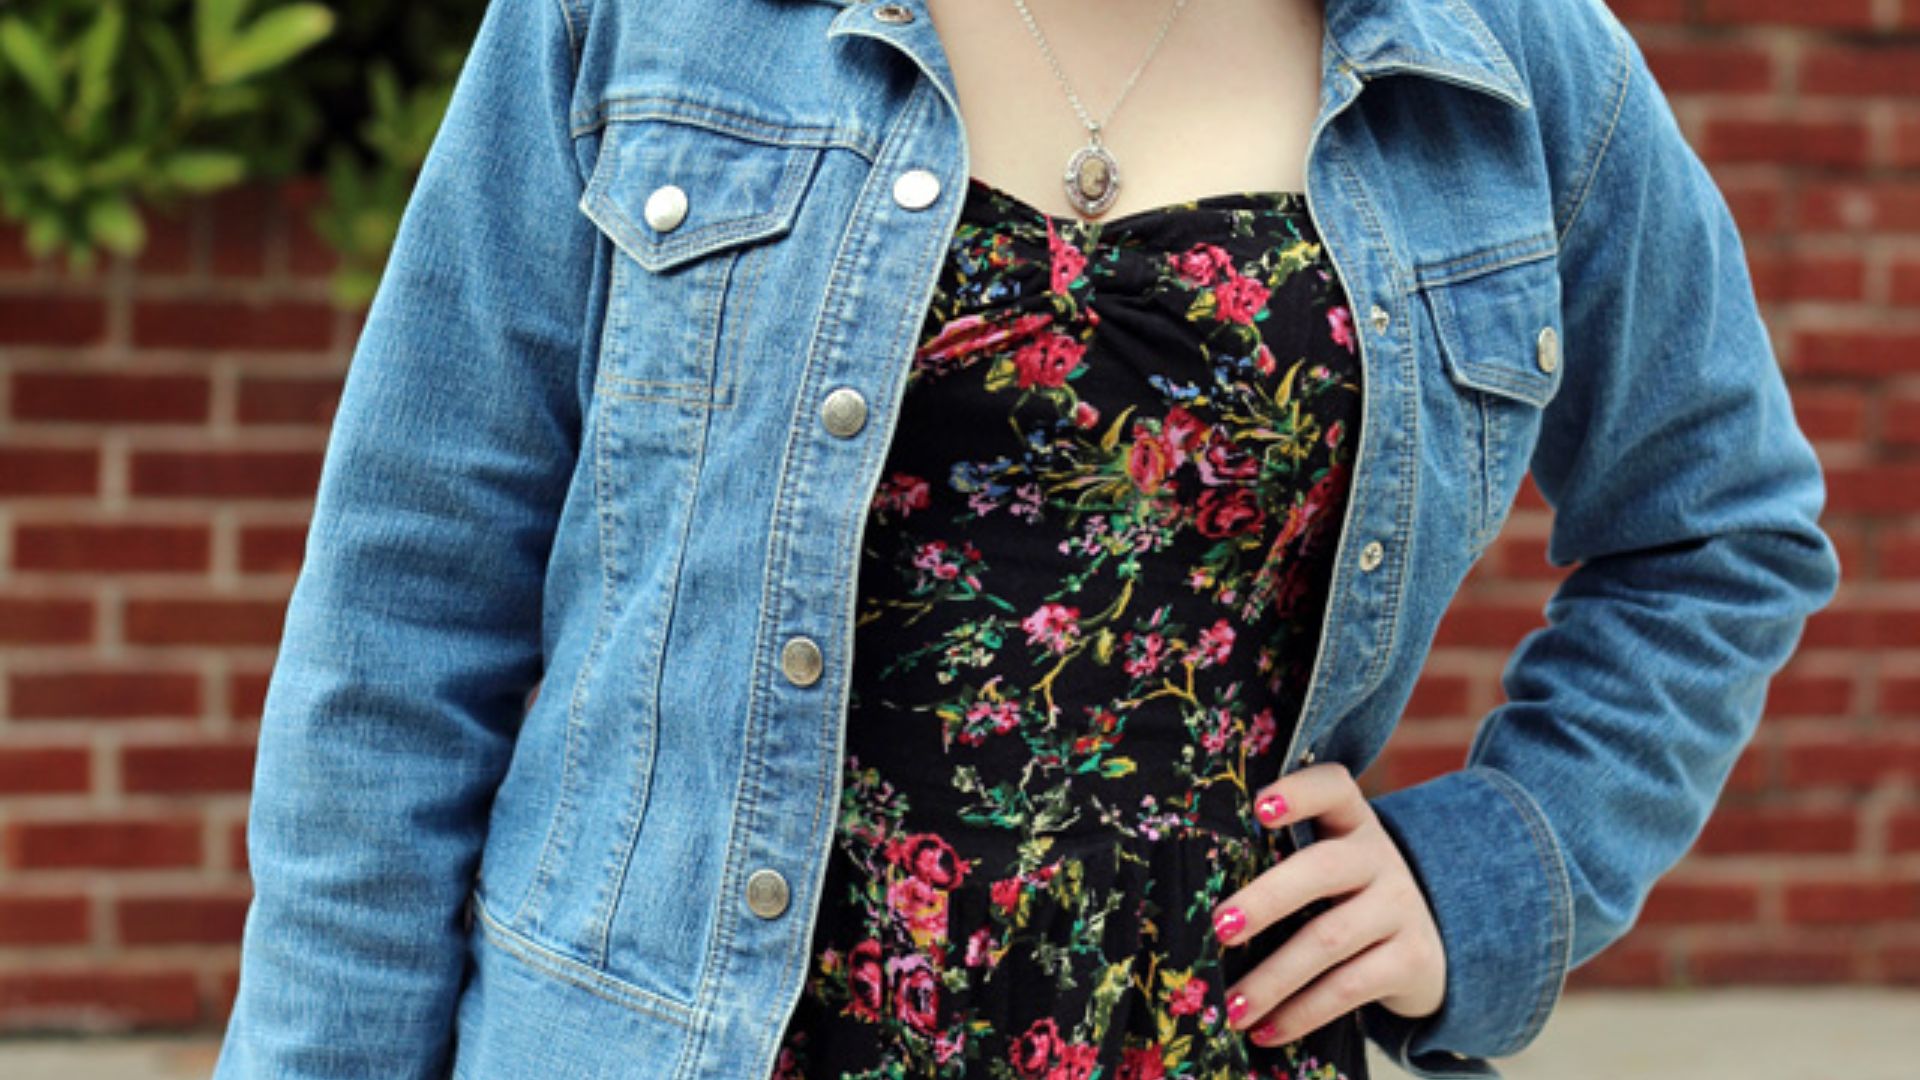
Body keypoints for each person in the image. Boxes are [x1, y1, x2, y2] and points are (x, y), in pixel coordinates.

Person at [211, 0, 1841, 1078]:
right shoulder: (650, 19)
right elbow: (405, 608)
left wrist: (1486, 872)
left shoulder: (1509, 60)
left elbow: (1720, 528)